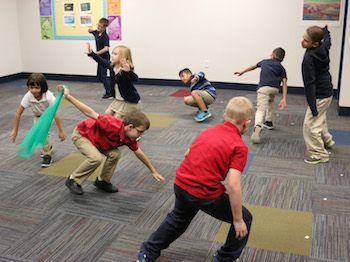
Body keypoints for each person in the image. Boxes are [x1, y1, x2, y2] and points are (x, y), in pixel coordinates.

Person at [137, 96, 255, 262]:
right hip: (204, 194)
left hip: (181, 183)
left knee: (178, 218)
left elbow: (188, 154)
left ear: (224, 117)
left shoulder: (208, 130)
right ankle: (225, 258)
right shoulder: (239, 146)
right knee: (246, 218)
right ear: (247, 123)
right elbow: (233, 185)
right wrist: (237, 219)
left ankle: (147, 252)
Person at [57, 85, 164, 195]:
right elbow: (89, 112)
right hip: (83, 135)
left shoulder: (129, 137)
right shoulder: (111, 123)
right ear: (130, 127)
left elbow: (139, 153)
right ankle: (73, 179)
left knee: (115, 154)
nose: (140, 135)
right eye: (140, 132)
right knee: (96, 158)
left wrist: (153, 171)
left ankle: (103, 181)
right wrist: (69, 97)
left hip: (100, 141)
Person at [11, 73, 66, 167]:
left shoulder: (48, 96)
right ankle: (48, 147)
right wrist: (15, 130)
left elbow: (56, 115)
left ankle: (47, 155)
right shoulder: (28, 96)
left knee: (43, 132)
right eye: (31, 88)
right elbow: (18, 113)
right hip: (37, 116)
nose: (34, 90)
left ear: (43, 87)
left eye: (37, 88)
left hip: (49, 116)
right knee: (38, 134)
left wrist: (61, 131)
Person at [234, 48, 288, 144]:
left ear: (273, 55)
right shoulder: (281, 67)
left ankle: (258, 125)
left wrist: (242, 72)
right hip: (274, 89)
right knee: (270, 102)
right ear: (282, 60)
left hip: (263, 88)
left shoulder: (265, 62)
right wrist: (284, 98)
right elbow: (284, 82)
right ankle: (269, 122)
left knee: (261, 108)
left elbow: (253, 67)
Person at [301, 25, 334, 164]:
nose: (302, 41)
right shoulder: (323, 47)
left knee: (310, 125)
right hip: (328, 91)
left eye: (306, 40)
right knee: (321, 117)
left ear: (314, 43)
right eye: (302, 38)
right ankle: (327, 140)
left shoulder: (308, 59)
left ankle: (320, 154)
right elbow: (328, 40)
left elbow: (310, 84)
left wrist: (312, 107)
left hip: (319, 94)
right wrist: (325, 30)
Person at [86, 43, 141, 120]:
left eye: (115, 54)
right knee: (107, 114)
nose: (112, 56)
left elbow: (135, 79)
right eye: (112, 54)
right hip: (119, 100)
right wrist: (91, 53)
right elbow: (101, 60)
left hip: (129, 101)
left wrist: (129, 72)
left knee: (117, 118)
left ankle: (119, 131)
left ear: (123, 57)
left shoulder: (125, 71)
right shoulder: (112, 66)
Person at [88, 17, 113, 99]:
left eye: (100, 27)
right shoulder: (97, 32)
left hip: (105, 58)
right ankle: (111, 88)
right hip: (99, 57)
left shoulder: (105, 36)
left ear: (105, 28)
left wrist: (94, 54)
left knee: (103, 75)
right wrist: (90, 30)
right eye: (97, 25)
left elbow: (106, 48)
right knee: (99, 76)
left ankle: (109, 93)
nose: (98, 27)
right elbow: (92, 31)